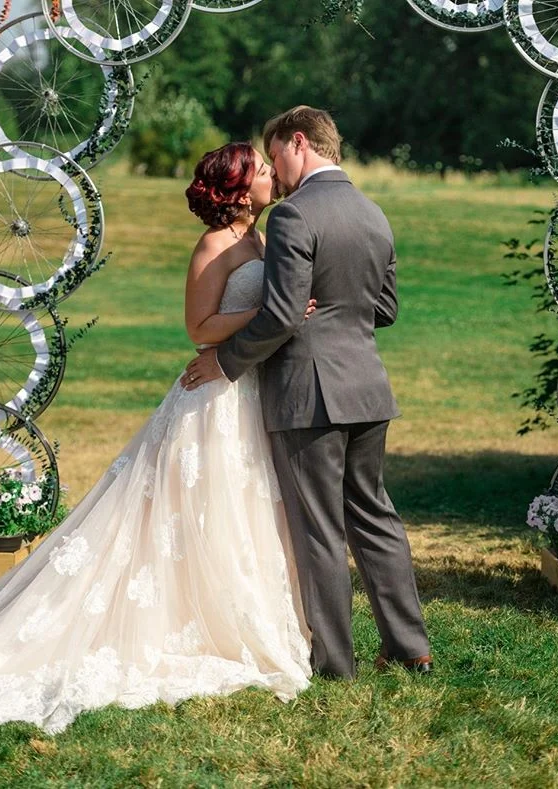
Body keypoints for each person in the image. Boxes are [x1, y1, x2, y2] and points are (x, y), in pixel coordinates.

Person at [0, 142, 314, 734]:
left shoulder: (259, 239)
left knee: (238, 505)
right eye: (264, 170)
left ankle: (240, 612)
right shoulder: (216, 246)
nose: (274, 176)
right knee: (196, 508)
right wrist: (273, 313)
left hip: (248, 388)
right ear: (241, 189)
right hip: (214, 394)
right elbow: (198, 326)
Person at [182, 106, 431, 678]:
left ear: (300, 143)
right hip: (368, 388)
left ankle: (335, 664)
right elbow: (385, 309)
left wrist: (224, 363)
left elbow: (280, 316)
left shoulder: (295, 215)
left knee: (319, 529)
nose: (276, 170)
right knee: (375, 516)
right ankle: (410, 646)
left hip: (307, 394)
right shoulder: (374, 214)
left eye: (275, 157)